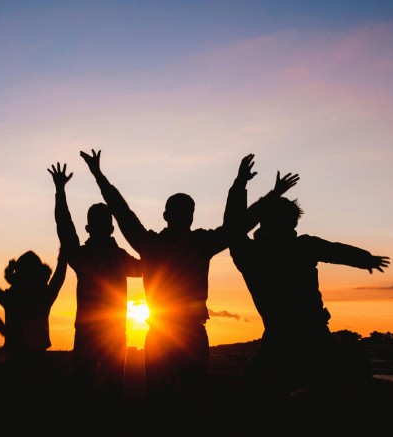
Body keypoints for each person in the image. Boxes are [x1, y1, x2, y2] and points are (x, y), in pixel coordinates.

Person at [79, 149, 260, 399]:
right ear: (190, 216)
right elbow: (236, 227)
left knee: (160, 406)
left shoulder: (152, 245)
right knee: (193, 403)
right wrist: (240, 185)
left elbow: (122, 214)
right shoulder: (199, 243)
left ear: (165, 215)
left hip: (163, 337)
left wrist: (99, 176)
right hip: (189, 335)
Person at [230, 173, 390, 395]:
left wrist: (244, 186)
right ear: (290, 223)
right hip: (310, 338)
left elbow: (234, 229)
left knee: (257, 388)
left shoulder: (251, 255)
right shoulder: (300, 247)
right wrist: (365, 259)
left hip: (284, 340)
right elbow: (334, 250)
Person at [50, 162, 142, 396]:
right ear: (112, 229)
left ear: (88, 228)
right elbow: (147, 268)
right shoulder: (118, 258)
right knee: (110, 394)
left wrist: (60, 191)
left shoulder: (84, 256)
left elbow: (65, 227)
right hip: (110, 333)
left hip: (89, 333)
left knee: (83, 393)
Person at [0, 230, 66, 366]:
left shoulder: (11, 298)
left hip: (14, 360)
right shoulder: (44, 297)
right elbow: (60, 273)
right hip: (37, 362)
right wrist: (64, 248)